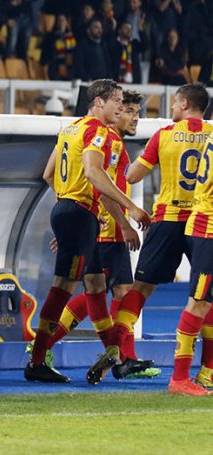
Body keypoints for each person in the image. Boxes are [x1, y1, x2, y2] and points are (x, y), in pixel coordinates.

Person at [25, 79, 151, 384]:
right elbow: (95, 175)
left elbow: (49, 173)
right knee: (64, 288)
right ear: (98, 102)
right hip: (80, 214)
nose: (121, 107)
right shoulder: (100, 133)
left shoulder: (70, 129)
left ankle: (115, 354)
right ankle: (37, 358)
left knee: (94, 286)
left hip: (73, 212)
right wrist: (129, 211)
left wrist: (68, 207)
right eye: (117, 101)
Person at [103, 82, 213, 393]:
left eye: (175, 103)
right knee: (205, 298)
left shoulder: (164, 135)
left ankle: (117, 343)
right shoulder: (210, 135)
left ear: (184, 104)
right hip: (203, 220)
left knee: (141, 288)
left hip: (168, 218)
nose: (172, 107)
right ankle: (206, 370)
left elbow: (132, 175)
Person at [168, 132, 213, 396]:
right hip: (208, 229)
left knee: (207, 301)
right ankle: (179, 379)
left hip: (204, 224)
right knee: (199, 302)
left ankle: (206, 372)